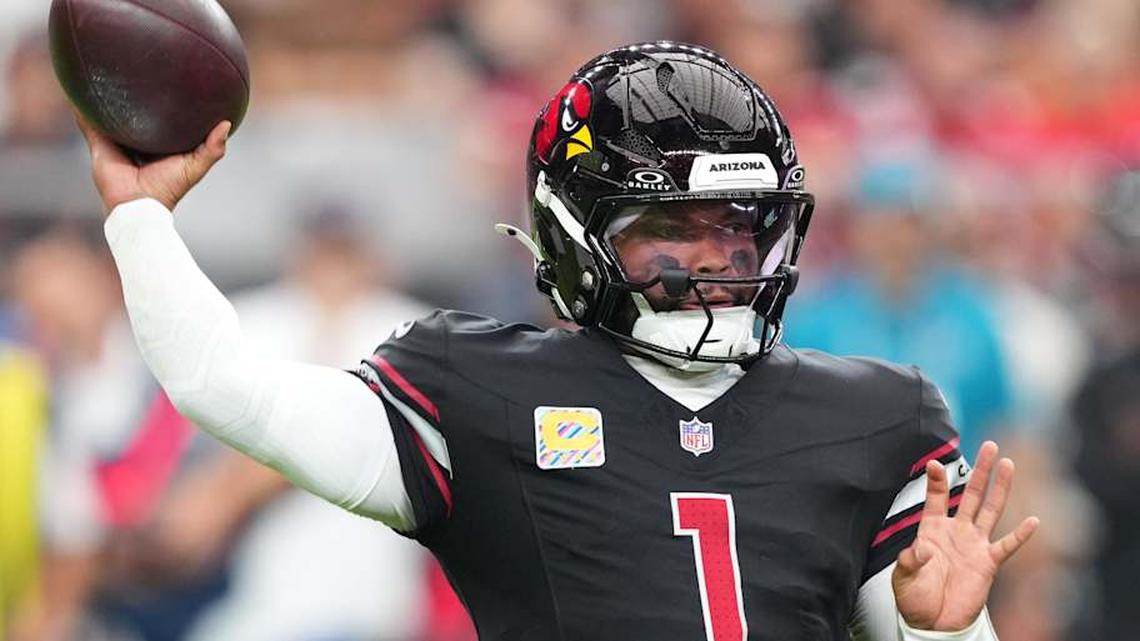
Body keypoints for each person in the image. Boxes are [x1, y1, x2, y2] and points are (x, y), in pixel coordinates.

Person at [77, 42, 1037, 641]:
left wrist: (941, 632)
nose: (716, 260)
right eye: (674, 229)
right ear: (574, 236)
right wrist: (142, 222)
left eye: (738, 226)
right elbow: (227, 387)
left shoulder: (877, 415)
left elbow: (932, 630)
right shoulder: (478, 386)